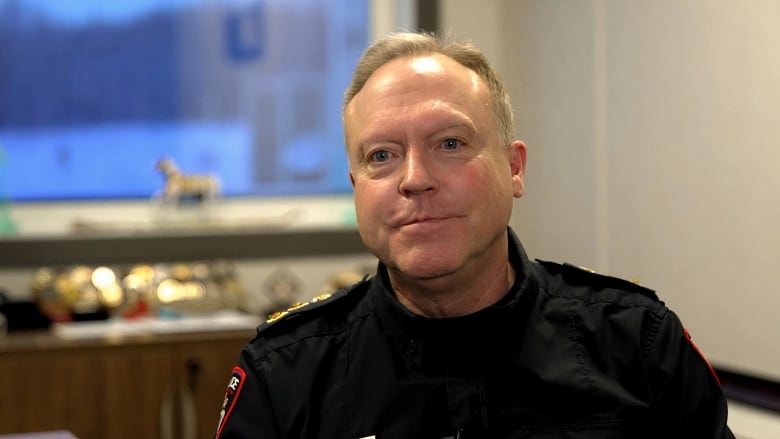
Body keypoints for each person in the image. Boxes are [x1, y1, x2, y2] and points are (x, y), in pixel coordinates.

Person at [214, 32, 735, 438]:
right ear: (356, 189)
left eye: (449, 143)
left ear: (514, 168)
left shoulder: (638, 347)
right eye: (381, 156)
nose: (415, 179)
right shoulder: (284, 377)